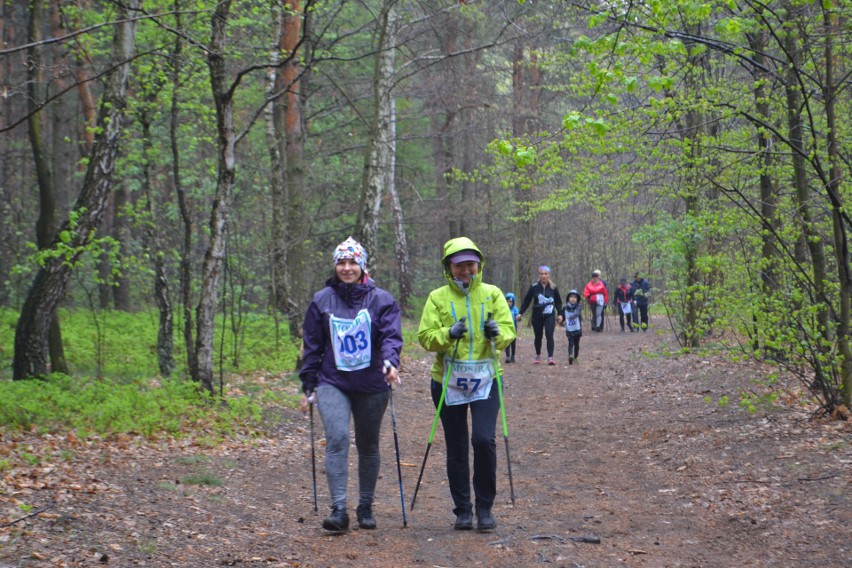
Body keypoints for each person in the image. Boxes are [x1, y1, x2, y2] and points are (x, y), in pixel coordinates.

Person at [299, 236, 403, 533]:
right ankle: (339, 509)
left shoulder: (382, 299)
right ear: (335, 265)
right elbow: (312, 344)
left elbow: (390, 337)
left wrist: (390, 362)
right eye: (341, 262)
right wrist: (308, 384)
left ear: (362, 265)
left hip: (372, 381)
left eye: (352, 262)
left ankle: (365, 506)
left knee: (368, 444)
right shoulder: (322, 300)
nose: (346, 268)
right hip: (333, 381)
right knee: (338, 438)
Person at [418, 237, 517, 532]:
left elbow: (508, 333)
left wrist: (496, 332)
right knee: (457, 446)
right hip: (448, 381)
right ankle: (463, 510)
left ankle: (484, 508)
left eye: (470, 263)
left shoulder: (492, 293)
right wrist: (448, 333)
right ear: (449, 267)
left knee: (483, 440)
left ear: (479, 265)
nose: (466, 270)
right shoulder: (437, 297)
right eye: (459, 264)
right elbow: (425, 336)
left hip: (486, 379)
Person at [518, 265, 563, 365]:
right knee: (538, 336)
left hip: (550, 315)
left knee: (549, 334)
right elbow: (527, 301)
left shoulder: (553, 288)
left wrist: (560, 314)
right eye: (542, 274)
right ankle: (538, 355)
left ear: (549, 275)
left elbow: (559, 302)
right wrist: (520, 313)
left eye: (545, 274)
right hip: (536, 315)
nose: (543, 276)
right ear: (539, 275)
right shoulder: (534, 287)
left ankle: (550, 357)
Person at [562, 289, 583, 364]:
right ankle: (570, 356)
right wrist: (561, 320)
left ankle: (576, 357)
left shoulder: (579, 306)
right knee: (570, 343)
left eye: (575, 297)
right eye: (571, 297)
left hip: (577, 329)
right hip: (569, 329)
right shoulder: (565, 307)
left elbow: (577, 313)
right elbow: (563, 317)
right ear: (568, 298)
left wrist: (571, 316)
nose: (573, 299)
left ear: (577, 299)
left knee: (576, 344)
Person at [504, 292, 520, 363]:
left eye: (510, 301)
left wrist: (518, 317)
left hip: (513, 329)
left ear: (513, 302)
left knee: (513, 343)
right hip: (506, 329)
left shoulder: (515, 309)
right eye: (507, 301)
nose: (509, 303)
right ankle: (507, 356)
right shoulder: (504, 309)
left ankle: (513, 355)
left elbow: (517, 316)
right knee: (507, 343)